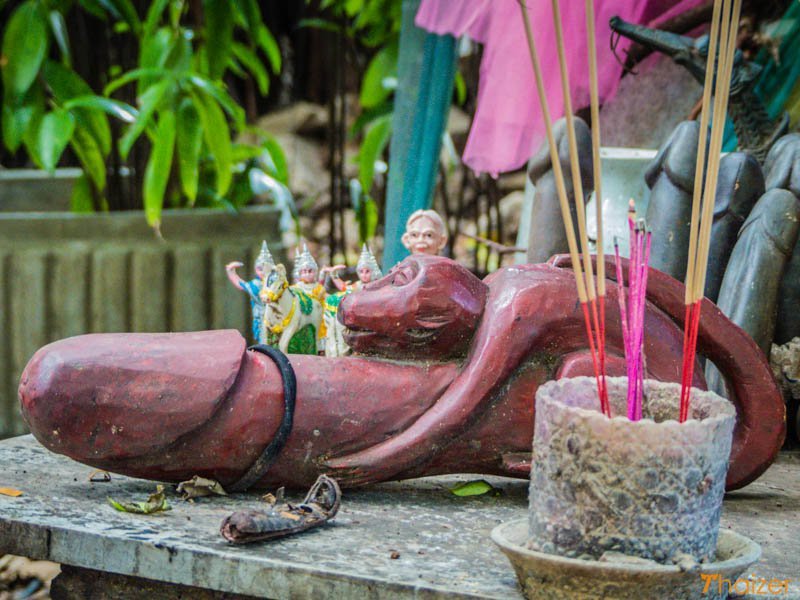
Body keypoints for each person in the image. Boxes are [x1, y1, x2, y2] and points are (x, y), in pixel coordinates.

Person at [225, 241, 274, 343]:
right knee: (264, 339)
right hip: (261, 316)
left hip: (277, 316)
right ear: (256, 269)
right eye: (260, 269)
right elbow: (242, 285)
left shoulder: (276, 282)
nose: (263, 272)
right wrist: (231, 271)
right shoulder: (255, 284)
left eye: (266, 268)